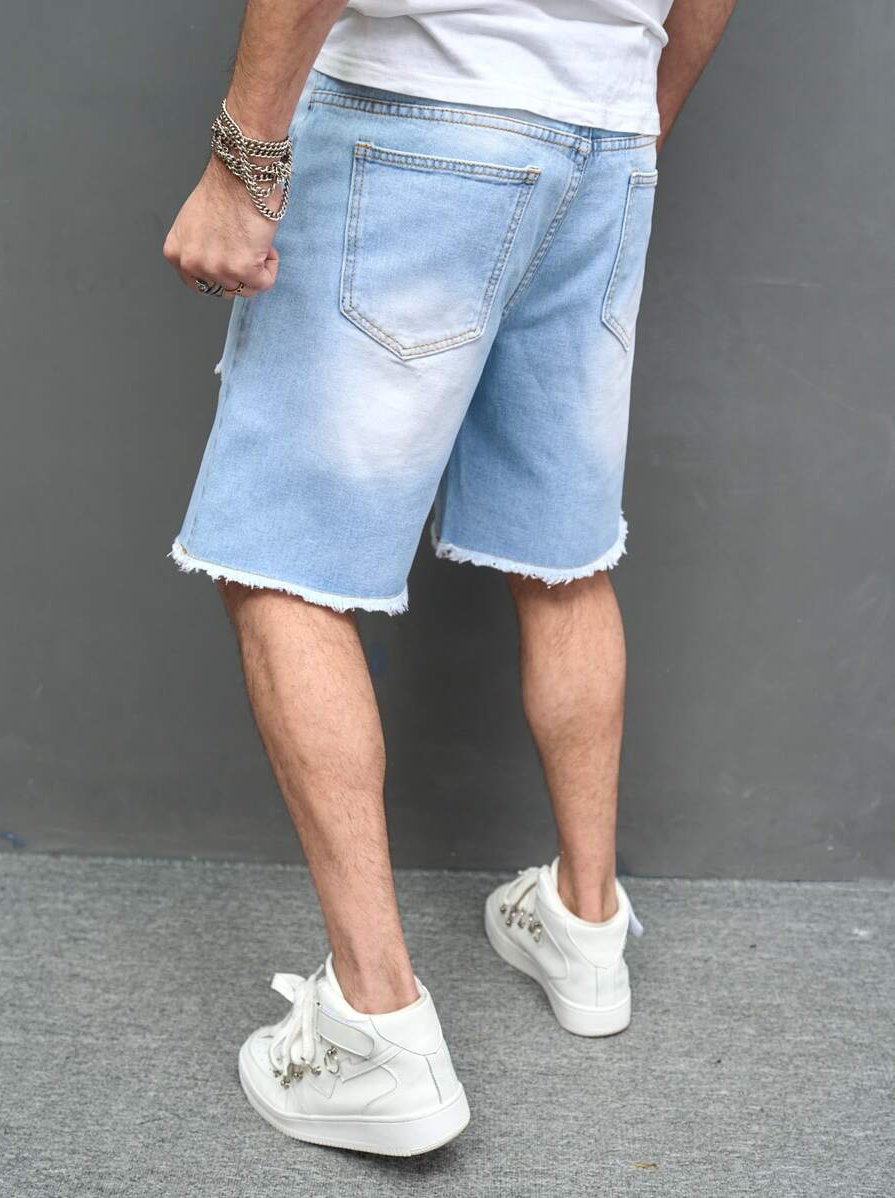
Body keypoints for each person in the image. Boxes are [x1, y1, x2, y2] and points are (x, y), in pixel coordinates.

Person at [163, 0, 736, 1157]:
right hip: (604, 138)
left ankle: (375, 1028)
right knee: (562, 554)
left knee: (285, 563)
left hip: (415, 112)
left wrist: (245, 158)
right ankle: (586, 924)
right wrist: (628, 117)